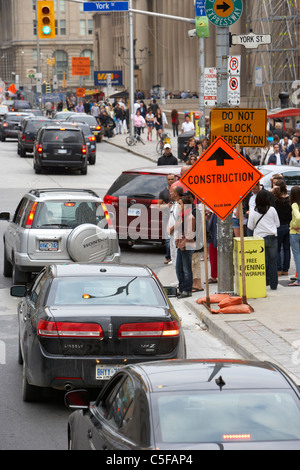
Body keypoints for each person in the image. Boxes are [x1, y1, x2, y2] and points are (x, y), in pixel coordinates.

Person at [247, 189, 280, 290]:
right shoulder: (272, 210)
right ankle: (274, 285)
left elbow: (250, 226)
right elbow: (277, 224)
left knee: (261, 263)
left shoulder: (253, 212)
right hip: (272, 238)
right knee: (273, 262)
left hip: (259, 239)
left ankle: (263, 283)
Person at [175, 192, 196, 298]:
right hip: (181, 246)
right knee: (178, 268)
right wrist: (177, 240)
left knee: (186, 269)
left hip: (187, 246)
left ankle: (187, 290)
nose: (179, 206)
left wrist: (182, 243)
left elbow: (190, 235)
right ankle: (181, 288)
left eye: (180, 204)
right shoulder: (182, 216)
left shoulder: (190, 217)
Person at [272, 180, 292, 276]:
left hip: (279, 226)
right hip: (289, 225)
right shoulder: (290, 199)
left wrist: (273, 190)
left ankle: (279, 269)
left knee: (278, 248)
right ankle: (285, 269)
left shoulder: (275, 200)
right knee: (287, 249)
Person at [158, 174, 176, 264]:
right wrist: (167, 206)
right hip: (167, 217)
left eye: (172, 179)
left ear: (175, 179)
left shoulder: (177, 190)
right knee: (168, 238)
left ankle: (175, 257)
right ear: (166, 180)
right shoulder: (163, 192)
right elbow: (158, 206)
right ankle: (168, 257)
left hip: (177, 217)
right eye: (169, 179)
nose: (170, 181)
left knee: (177, 236)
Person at [167, 185, 184, 267]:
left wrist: (172, 229)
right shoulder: (174, 204)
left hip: (177, 234)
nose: (170, 193)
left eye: (172, 191)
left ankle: (180, 278)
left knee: (178, 258)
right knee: (173, 256)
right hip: (172, 235)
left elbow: (180, 220)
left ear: (176, 193)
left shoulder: (180, 205)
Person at [288, 185, 300, 286]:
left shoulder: (294, 205)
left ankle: (299, 279)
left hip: (295, 233)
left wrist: (296, 225)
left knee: (297, 257)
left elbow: (298, 217)